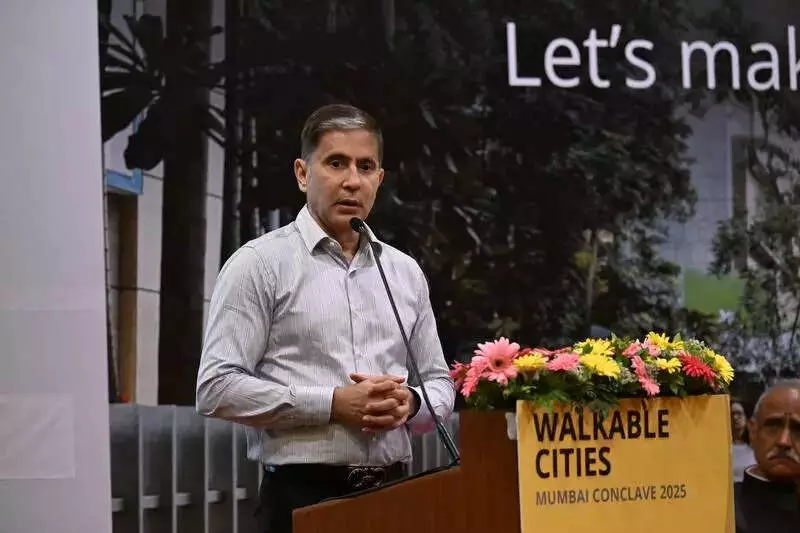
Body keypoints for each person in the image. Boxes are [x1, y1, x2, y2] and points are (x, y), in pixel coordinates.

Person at [196, 103, 456, 533]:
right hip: (301, 498)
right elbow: (216, 388)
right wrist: (333, 404)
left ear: (379, 179)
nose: (352, 180)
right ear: (303, 174)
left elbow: (440, 384)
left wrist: (409, 403)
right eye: (336, 163)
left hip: (397, 497)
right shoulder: (259, 264)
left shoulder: (404, 272)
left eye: (365, 166)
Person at [734, 379, 800, 533]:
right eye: (773, 426)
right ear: (753, 431)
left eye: (798, 430)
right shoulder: (723, 507)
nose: (783, 441)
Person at [731, 398, 755, 482]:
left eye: (739, 413)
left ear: (746, 418)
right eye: (732, 414)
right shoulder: (722, 447)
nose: (735, 417)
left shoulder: (755, 448)